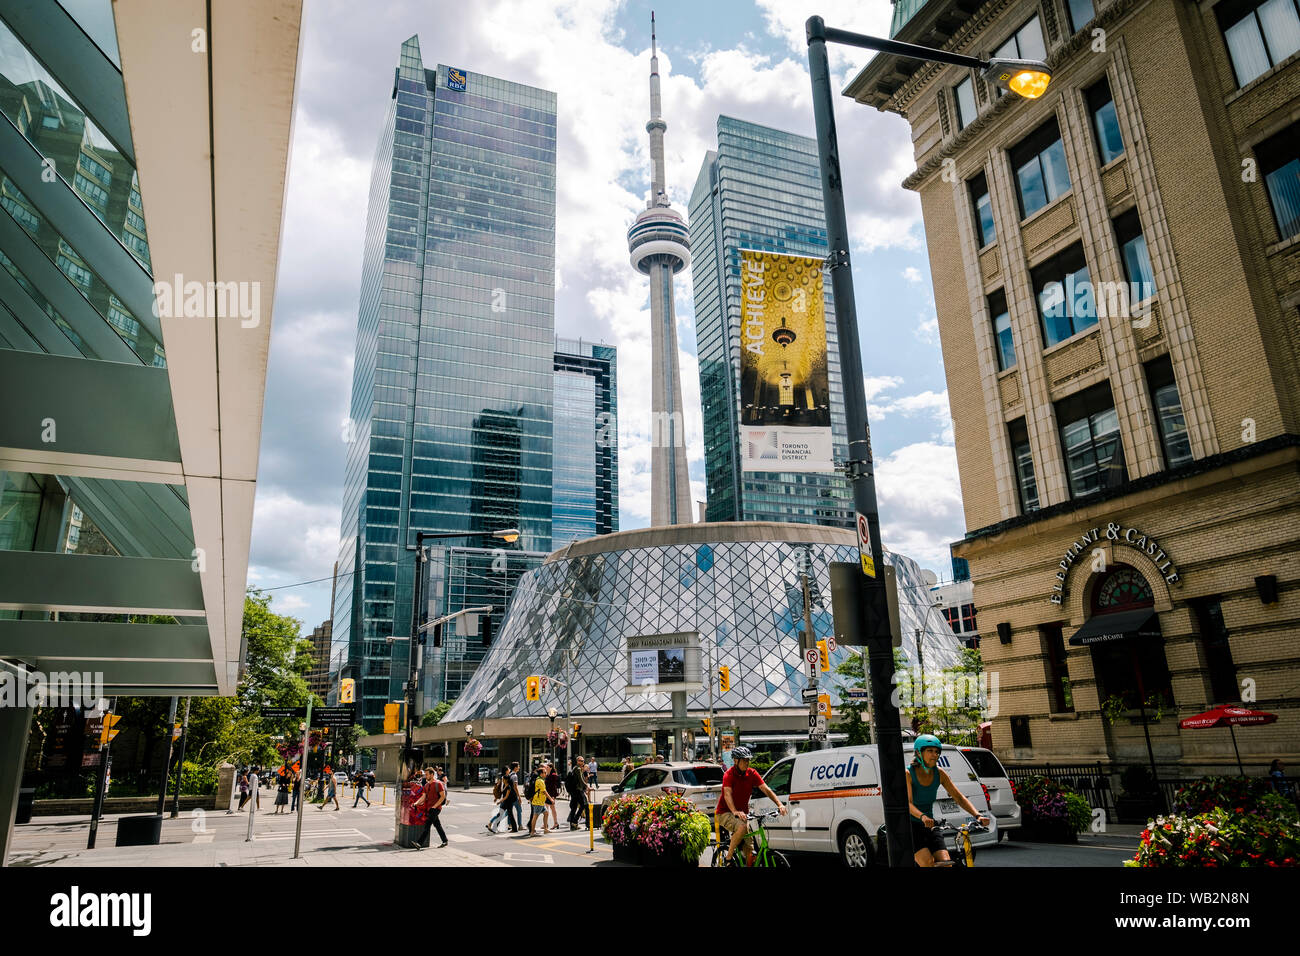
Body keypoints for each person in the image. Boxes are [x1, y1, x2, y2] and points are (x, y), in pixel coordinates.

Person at [906, 734, 990, 868]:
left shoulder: (939, 773)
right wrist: (922, 816)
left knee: (946, 863)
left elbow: (959, 798)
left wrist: (977, 815)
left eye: (937, 752)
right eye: (930, 751)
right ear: (918, 753)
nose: (935, 755)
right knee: (927, 863)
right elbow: (908, 803)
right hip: (911, 826)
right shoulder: (909, 774)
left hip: (930, 824)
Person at [715, 746, 786, 866]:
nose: (747, 762)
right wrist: (735, 811)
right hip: (725, 813)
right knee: (742, 828)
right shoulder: (729, 774)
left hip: (742, 815)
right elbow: (727, 794)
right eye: (744, 760)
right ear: (736, 761)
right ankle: (728, 857)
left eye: (748, 760)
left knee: (750, 852)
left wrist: (779, 804)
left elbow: (766, 789)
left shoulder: (752, 773)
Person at [413, 766, 449, 848]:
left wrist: (435, 806)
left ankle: (419, 843)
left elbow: (442, 796)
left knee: (427, 825)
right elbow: (423, 797)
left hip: (436, 808)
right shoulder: (426, 785)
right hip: (429, 808)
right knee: (437, 825)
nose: (425, 776)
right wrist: (416, 803)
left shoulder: (438, 784)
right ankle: (445, 840)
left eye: (427, 774)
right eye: (425, 774)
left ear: (432, 774)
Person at [528, 762, 553, 836]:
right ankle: (532, 832)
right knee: (535, 816)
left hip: (541, 802)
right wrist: (551, 799)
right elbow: (544, 791)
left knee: (546, 813)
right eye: (544, 772)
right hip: (538, 802)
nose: (546, 774)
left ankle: (545, 829)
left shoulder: (540, 780)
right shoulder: (540, 781)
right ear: (541, 774)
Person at [566, 757, 590, 830]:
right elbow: (581, 780)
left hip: (573, 791)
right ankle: (575, 821)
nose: (582, 762)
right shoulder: (578, 769)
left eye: (582, 761)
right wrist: (587, 786)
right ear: (577, 761)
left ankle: (573, 825)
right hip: (578, 790)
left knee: (574, 807)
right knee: (584, 805)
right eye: (580, 761)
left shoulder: (574, 768)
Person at [545, 761, 563, 830]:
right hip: (547, 794)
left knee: (552, 808)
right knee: (546, 808)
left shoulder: (553, 775)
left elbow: (553, 786)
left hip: (551, 794)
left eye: (547, 767)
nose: (546, 768)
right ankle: (546, 823)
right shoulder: (547, 774)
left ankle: (555, 823)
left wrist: (552, 796)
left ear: (551, 768)